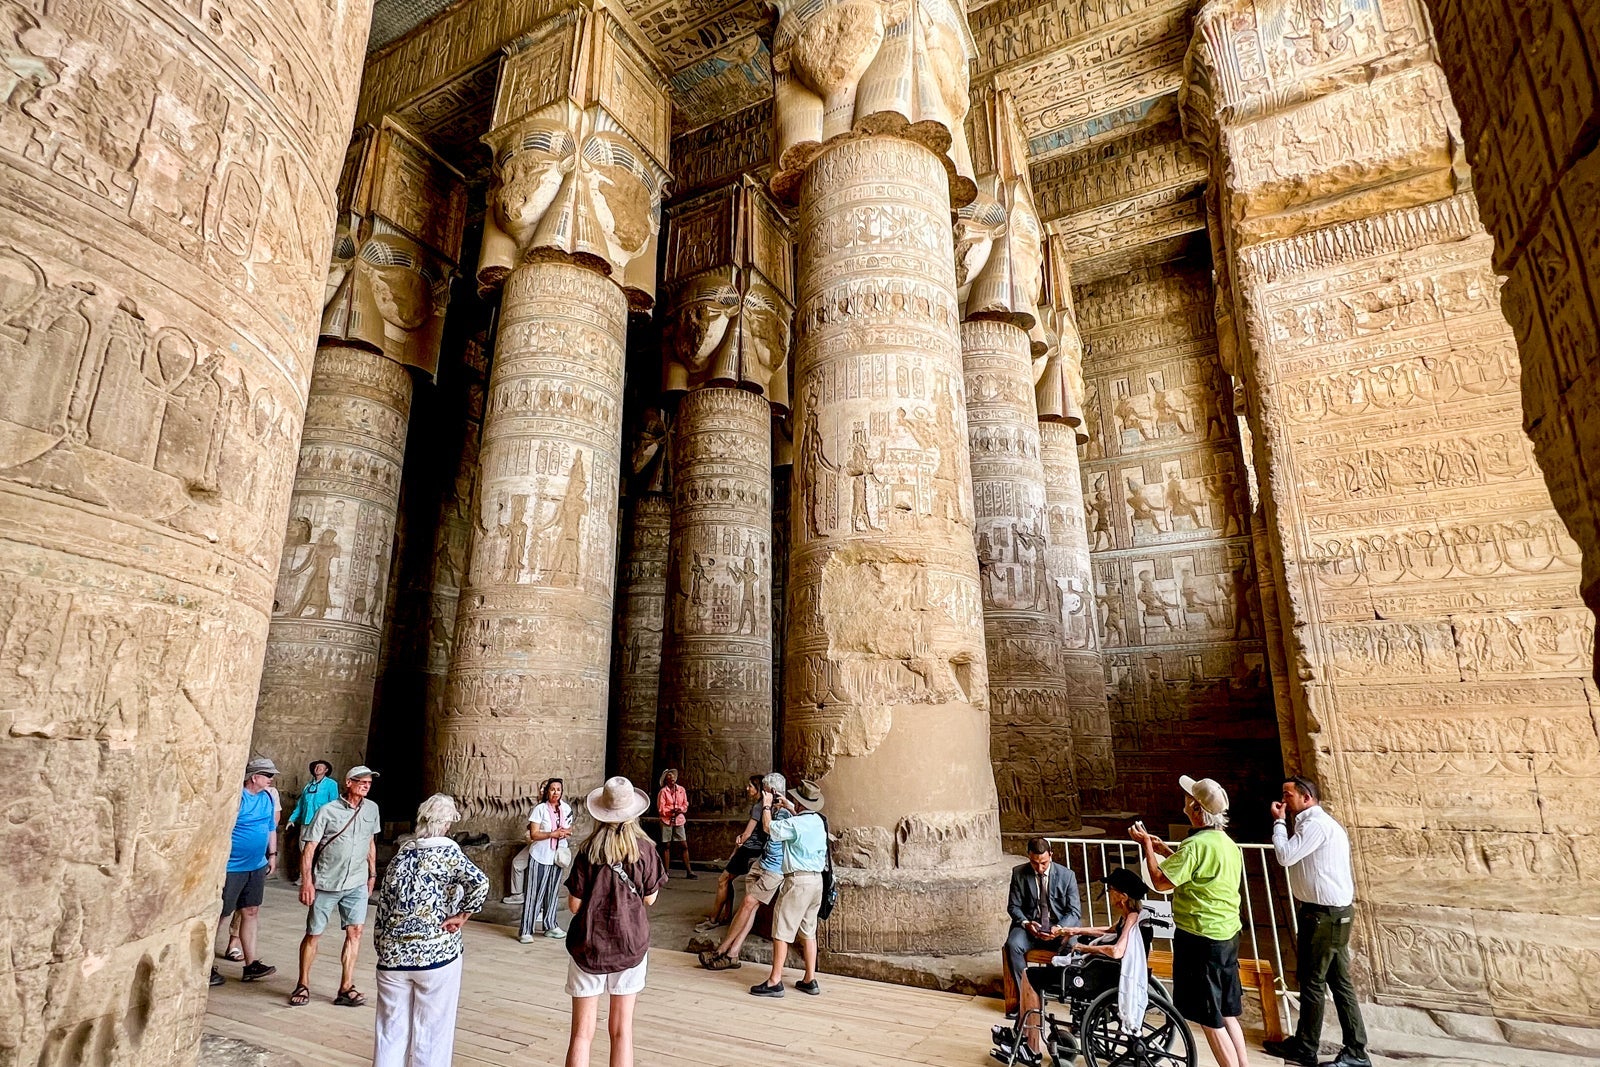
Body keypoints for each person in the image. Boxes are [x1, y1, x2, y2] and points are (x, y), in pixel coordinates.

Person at [1131, 775, 1249, 1067]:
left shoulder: (1195, 846)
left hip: (1200, 938)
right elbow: (1197, 873)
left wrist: (1146, 845)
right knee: (1226, 1011)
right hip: (1226, 935)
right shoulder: (1226, 843)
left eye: (1189, 800)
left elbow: (1160, 882)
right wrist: (1165, 851)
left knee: (1210, 1018)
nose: (1184, 802)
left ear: (1196, 809)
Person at [372, 793, 490, 1067]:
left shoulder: (401, 855)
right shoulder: (448, 851)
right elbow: (480, 883)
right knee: (433, 1030)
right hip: (436, 952)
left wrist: (384, 947)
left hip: (392, 956)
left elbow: (384, 906)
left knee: (390, 1031)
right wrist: (463, 915)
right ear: (447, 824)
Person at [997, 867, 1155, 1066]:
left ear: (1122, 896)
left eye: (1111, 890)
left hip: (1101, 976)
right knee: (1034, 973)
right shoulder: (1132, 915)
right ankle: (1020, 1034)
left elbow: (1117, 951)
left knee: (1030, 976)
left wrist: (1083, 947)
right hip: (1106, 971)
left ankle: (1032, 1046)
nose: (1109, 894)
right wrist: (1073, 930)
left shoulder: (1131, 917)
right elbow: (1107, 930)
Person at [1262, 777, 1369, 1067]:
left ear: (1306, 797)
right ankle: (1350, 1047)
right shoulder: (1315, 825)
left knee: (1312, 981)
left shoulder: (1315, 825)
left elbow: (1285, 856)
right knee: (1337, 981)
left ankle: (1311, 1046)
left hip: (1325, 915)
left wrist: (1279, 823)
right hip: (1327, 913)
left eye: (1288, 794)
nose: (1283, 800)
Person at [563, 776, 666, 1067]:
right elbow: (649, 899)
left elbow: (574, 905)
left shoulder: (587, 851)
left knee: (581, 1035)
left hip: (589, 945)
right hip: (630, 943)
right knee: (622, 1032)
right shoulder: (645, 850)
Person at [292, 765, 382, 1007]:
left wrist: (372, 874)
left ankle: (346, 986)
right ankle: (303, 983)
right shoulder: (327, 811)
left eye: (369, 782)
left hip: (356, 881)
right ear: (348, 783)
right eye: (361, 781)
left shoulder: (372, 809)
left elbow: (370, 841)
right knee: (314, 933)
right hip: (327, 881)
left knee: (356, 932)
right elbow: (309, 848)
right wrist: (307, 882)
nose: (366, 785)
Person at [698, 772, 789, 971]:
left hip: (773, 869)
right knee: (750, 909)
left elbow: (767, 829)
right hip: (761, 863)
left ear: (771, 792)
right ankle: (733, 954)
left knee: (748, 903)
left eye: (764, 790)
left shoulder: (783, 813)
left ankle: (721, 950)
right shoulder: (770, 807)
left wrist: (767, 805)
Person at [750, 779, 828, 998]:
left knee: (782, 931)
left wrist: (766, 805)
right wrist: (789, 807)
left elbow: (768, 828)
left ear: (800, 803)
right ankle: (809, 979)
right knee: (808, 931)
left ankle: (775, 981)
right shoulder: (817, 821)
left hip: (798, 881)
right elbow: (801, 821)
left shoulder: (795, 824)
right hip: (816, 882)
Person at [213, 757, 280, 986]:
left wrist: (273, 855)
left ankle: (251, 964)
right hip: (232, 867)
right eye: (268, 775)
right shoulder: (237, 798)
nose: (272, 779)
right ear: (255, 777)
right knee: (220, 914)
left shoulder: (267, 798)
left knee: (250, 911)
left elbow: (271, 827)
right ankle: (206, 964)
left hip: (256, 865)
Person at [1003, 837, 1082, 1019]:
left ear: (1051, 856)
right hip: (1031, 928)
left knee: (1075, 947)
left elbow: (1074, 911)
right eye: (1034, 863)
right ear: (1028, 857)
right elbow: (1013, 907)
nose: (1039, 868)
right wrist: (1026, 924)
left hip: (1059, 928)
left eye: (1044, 863)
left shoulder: (1067, 875)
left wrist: (1060, 928)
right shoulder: (1019, 873)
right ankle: (1027, 999)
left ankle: (1077, 1009)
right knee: (1013, 944)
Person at [696, 775, 767, 932]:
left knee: (723, 880)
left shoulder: (757, 807)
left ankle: (713, 919)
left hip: (749, 850)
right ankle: (727, 915)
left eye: (750, 786)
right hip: (758, 849)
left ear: (758, 788)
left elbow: (748, 834)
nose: (747, 789)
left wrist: (737, 848)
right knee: (728, 880)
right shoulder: (766, 806)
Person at [517, 778, 574, 943]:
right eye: (552, 789)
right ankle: (526, 929)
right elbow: (534, 834)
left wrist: (566, 832)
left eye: (558, 789)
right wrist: (552, 834)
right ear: (547, 792)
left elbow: (570, 827)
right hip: (540, 855)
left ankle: (550, 925)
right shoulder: (540, 809)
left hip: (557, 856)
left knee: (552, 892)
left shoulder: (566, 808)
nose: (556, 792)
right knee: (534, 892)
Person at [284, 759, 338, 885]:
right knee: (304, 851)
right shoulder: (308, 786)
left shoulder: (331, 784)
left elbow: (334, 804)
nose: (318, 768)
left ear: (326, 770)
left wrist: (334, 822)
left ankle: (319, 878)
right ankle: (304, 877)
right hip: (306, 822)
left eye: (321, 767)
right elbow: (301, 804)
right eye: (316, 767)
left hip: (322, 823)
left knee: (322, 851)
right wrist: (292, 819)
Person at [655, 768, 695, 878]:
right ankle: (666, 872)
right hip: (666, 820)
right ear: (666, 779)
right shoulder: (663, 792)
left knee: (684, 845)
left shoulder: (681, 790)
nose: (672, 778)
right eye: (669, 776)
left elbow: (685, 804)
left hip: (679, 819)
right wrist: (670, 812)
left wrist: (679, 810)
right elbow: (661, 808)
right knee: (666, 845)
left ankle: (689, 871)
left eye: (673, 776)